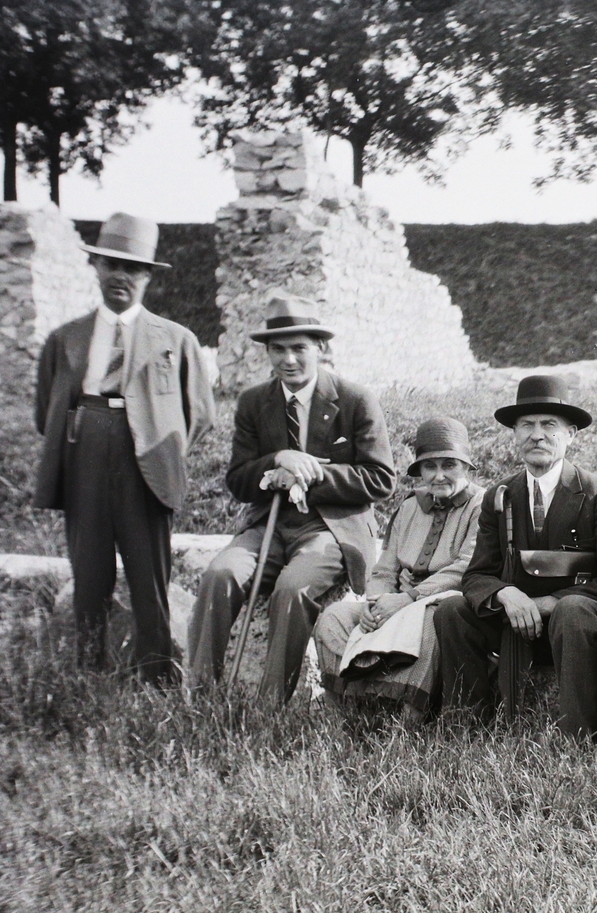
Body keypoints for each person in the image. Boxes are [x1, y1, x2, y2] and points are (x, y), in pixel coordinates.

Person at [186, 293, 395, 703]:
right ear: (267, 353)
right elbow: (238, 479)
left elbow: (380, 478)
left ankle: (272, 704)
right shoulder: (252, 402)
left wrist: (309, 475)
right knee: (219, 576)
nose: (289, 359)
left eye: (300, 348)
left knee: (293, 588)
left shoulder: (354, 400)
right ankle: (198, 694)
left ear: (321, 348)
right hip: (269, 524)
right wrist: (277, 461)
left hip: (331, 529)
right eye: (278, 349)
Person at [34, 212, 215, 681]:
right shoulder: (65, 338)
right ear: (94, 266)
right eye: (111, 264)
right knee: (89, 570)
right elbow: (45, 410)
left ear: (148, 275)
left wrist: (158, 446)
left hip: (148, 460)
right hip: (86, 453)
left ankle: (156, 673)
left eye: (132, 268)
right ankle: (90, 668)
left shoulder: (175, 339)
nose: (120, 276)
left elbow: (200, 413)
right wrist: (87, 437)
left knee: (149, 574)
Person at [434, 375, 597, 734]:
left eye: (549, 425)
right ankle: (465, 727)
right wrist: (505, 594)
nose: (536, 435)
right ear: (514, 434)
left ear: (571, 434)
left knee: (572, 610)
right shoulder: (500, 494)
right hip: (515, 623)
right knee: (452, 611)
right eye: (526, 425)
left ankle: (578, 738)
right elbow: (476, 575)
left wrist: (552, 602)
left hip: (577, 625)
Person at [312, 417, 485, 716]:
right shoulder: (409, 506)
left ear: (467, 467)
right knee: (334, 617)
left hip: (441, 601)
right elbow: (385, 567)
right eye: (430, 467)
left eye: (449, 465)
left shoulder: (482, 506)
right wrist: (377, 602)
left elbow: (466, 568)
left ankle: (406, 723)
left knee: (430, 622)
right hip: (395, 602)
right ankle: (346, 714)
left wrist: (407, 600)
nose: (439, 476)